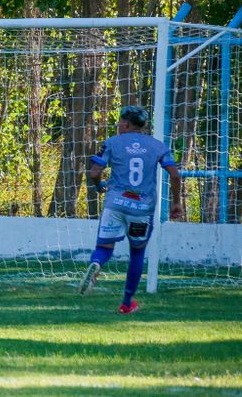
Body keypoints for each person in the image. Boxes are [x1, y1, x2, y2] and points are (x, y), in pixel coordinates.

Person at [78, 105, 182, 313]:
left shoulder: (113, 143)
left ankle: (96, 264)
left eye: (119, 122)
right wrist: (176, 202)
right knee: (137, 253)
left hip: (115, 205)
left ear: (125, 124)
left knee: (104, 247)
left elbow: (95, 171)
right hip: (142, 210)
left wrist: (99, 186)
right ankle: (126, 303)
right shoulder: (157, 145)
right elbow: (175, 174)